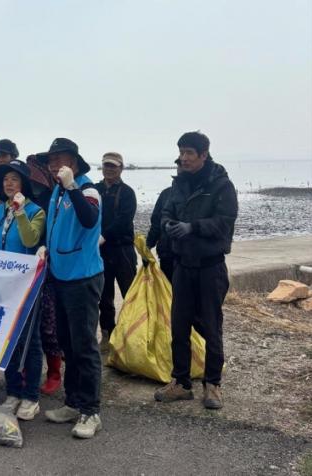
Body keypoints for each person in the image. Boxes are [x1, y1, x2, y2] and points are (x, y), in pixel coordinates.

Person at [154, 131, 238, 410]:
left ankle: (212, 384)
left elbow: (225, 221)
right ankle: (181, 383)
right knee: (179, 325)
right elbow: (166, 212)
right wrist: (168, 225)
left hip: (210, 267)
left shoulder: (221, 185)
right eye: (181, 152)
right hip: (183, 266)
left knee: (211, 326)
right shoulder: (179, 184)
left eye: (189, 152)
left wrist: (193, 227)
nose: (184, 158)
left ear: (203, 155)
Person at [36, 138, 105, 439]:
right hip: (60, 275)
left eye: (59, 159)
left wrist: (73, 187)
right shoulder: (57, 191)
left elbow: (89, 220)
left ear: (74, 162)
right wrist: (45, 247)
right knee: (67, 343)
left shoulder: (87, 189)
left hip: (82, 277)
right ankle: (73, 401)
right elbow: (56, 227)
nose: (53, 165)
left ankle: (91, 410)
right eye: (50, 160)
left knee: (84, 345)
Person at [0, 160, 46, 420]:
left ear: (24, 184)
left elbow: (31, 239)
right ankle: (13, 391)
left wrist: (20, 213)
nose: (9, 184)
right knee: (7, 338)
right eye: (5, 179)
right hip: (2, 286)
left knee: (30, 340)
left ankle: (31, 396)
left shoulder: (36, 211)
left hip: (26, 286)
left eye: (14, 179)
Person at [25, 154, 63, 395]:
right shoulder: (23, 200)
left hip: (48, 266)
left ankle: (54, 372)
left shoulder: (55, 197)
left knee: (49, 323)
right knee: (26, 322)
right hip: (25, 266)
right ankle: (27, 368)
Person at [94, 152, 137, 350]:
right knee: (104, 296)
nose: (109, 169)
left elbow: (124, 220)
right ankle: (107, 335)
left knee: (131, 294)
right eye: (106, 165)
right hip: (101, 252)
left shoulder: (127, 192)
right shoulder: (95, 189)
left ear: (121, 168)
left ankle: (133, 335)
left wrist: (104, 236)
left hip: (123, 250)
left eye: (113, 166)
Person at [146, 159, 181, 282]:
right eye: (179, 165)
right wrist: (148, 245)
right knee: (167, 290)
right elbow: (156, 223)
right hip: (167, 254)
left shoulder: (199, 194)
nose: (182, 168)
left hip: (189, 257)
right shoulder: (166, 194)